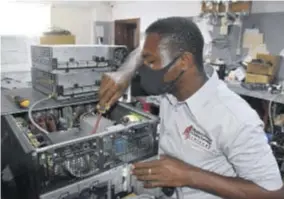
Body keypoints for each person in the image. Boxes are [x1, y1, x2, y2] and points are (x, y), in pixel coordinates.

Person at [98, 17, 284, 199]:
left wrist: (188, 175)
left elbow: (273, 193)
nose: (144, 69)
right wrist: (125, 72)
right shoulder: (171, 90)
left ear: (184, 61)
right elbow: (141, 51)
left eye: (152, 62)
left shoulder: (234, 118)